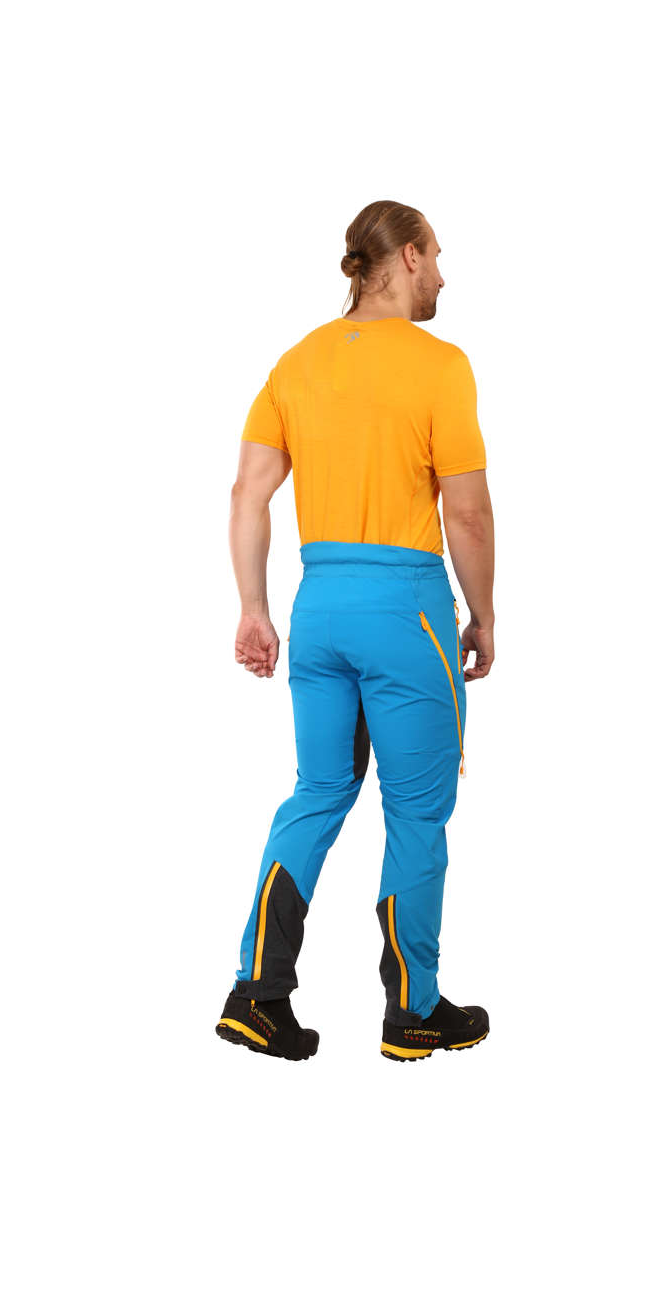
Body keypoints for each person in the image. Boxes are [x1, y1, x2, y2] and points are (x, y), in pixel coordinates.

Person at [215, 199, 495, 1062]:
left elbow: (248, 493)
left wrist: (254, 607)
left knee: (318, 791)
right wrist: (484, 613)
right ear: (406, 256)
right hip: (405, 610)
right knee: (416, 810)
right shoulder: (440, 364)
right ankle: (414, 1009)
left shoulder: (297, 362)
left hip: (319, 609)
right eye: (436, 255)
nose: (443, 274)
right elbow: (469, 513)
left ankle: (257, 995)